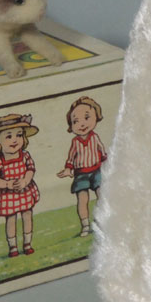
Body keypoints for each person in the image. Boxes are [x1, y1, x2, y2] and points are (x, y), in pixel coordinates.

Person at [0, 114, 40, 257]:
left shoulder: (25, 156)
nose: (15, 140)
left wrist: (25, 180)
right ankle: (13, 246)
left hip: (24, 191)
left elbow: (31, 169)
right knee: (11, 219)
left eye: (19, 135)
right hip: (7, 195)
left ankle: (27, 243)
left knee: (27, 214)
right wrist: (7, 184)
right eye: (8, 136)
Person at [57, 97, 107, 237]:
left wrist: (106, 162)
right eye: (75, 121)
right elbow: (71, 157)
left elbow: (102, 151)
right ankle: (85, 225)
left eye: (86, 117)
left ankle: (103, 220)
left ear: (96, 117)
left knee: (102, 195)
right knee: (82, 199)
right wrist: (68, 169)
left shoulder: (95, 137)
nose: (82, 124)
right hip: (81, 174)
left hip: (96, 170)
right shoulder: (75, 142)